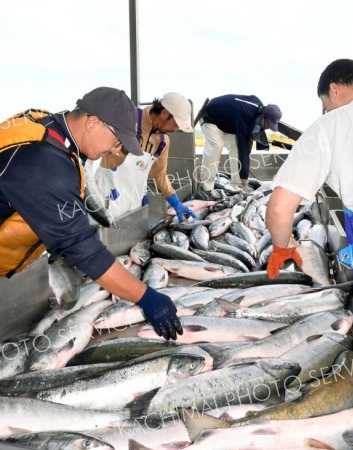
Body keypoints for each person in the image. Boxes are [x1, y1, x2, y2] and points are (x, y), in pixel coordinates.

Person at [0, 87, 182, 341]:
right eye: (117, 141)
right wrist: (147, 297)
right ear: (94, 123)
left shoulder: (52, 130)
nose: (117, 150)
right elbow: (84, 250)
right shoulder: (45, 163)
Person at [265, 58, 353, 339]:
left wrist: (281, 248)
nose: (327, 110)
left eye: (325, 104)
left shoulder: (332, 124)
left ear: (335, 90)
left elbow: (279, 209)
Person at [96, 92, 197, 222]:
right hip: (107, 198)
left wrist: (175, 202)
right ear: (165, 113)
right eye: (176, 123)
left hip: (134, 203)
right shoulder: (125, 120)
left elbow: (159, 174)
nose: (176, 129)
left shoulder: (163, 141)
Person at [199, 94, 282, 194]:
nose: (268, 128)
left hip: (226, 125)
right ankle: (206, 188)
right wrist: (244, 176)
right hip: (209, 118)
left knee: (236, 148)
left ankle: (237, 186)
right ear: (264, 116)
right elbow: (244, 147)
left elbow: (245, 143)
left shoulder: (257, 111)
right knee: (217, 145)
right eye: (269, 125)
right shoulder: (247, 112)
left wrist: (243, 176)